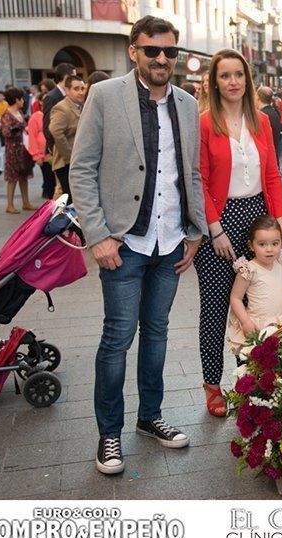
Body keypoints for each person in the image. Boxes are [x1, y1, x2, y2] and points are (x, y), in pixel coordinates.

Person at [70, 15, 206, 474]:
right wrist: (98, 236)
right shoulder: (106, 96)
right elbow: (82, 168)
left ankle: (150, 417)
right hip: (123, 242)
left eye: (170, 51)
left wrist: (195, 231)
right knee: (117, 338)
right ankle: (109, 434)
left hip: (170, 242)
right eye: (153, 51)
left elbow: (189, 173)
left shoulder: (187, 104)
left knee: (158, 333)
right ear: (134, 52)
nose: (163, 59)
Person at [195, 48, 282, 417]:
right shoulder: (203, 122)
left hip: (257, 217)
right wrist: (214, 229)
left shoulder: (261, 121)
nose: (233, 82)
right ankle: (212, 383)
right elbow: (198, 179)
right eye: (225, 75)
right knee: (217, 307)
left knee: (256, 305)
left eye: (238, 75)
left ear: (248, 80)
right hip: (220, 220)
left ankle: (248, 382)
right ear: (214, 82)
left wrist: (280, 224)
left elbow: (271, 176)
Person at [227, 215, 282, 354]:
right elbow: (235, 298)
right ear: (251, 246)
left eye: (275, 243)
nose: (269, 249)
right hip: (260, 325)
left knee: (281, 359)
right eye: (262, 244)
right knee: (262, 362)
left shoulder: (279, 264)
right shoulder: (249, 269)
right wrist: (245, 321)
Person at [49, 73, 85, 203]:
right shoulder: (62, 108)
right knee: (71, 202)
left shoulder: (81, 106)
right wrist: (69, 157)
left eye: (82, 88)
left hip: (77, 162)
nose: (80, 92)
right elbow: (55, 131)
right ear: (67, 90)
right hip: (66, 164)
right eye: (76, 89)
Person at [0, 87, 36, 213]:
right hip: (12, 149)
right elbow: (6, 132)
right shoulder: (7, 114)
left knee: (23, 175)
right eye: (21, 99)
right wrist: (20, 129)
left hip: (22, 147)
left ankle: (26, 202)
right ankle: (9, 205)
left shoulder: (18, 113)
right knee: (12, 177)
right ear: (16, 100)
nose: (23, 101)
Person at [25, 88, 55, 199]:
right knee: (48, 178)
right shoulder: (35, 117)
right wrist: (36, 155)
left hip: (54, 152)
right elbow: (32, 137)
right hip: (43, 154)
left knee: (53, 179)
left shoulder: (55, 114)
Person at [43, 62, 76, 154]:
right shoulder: (51, 97)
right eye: (74, 76)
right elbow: (47, 126)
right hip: (59, 150)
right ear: (66, 77)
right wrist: (53, 149)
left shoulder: (71, 94)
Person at [256, 86, 281, 162]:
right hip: (274, 156)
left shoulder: (262, 115)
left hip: (267, 159)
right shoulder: (275, 112)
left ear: (258, 97)